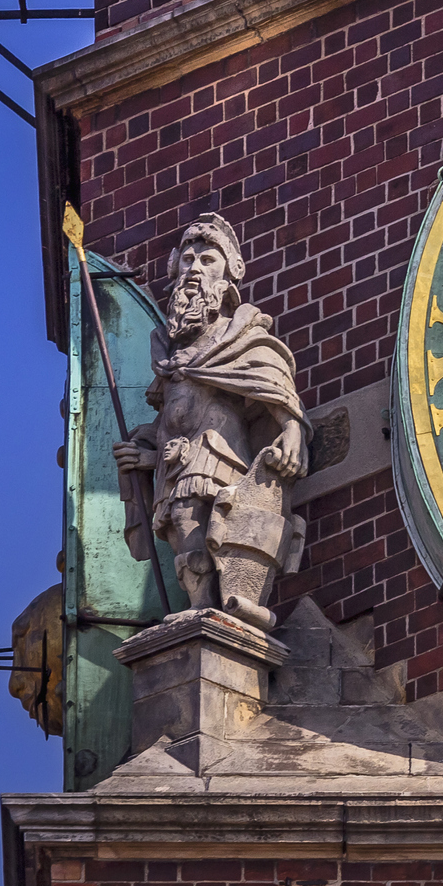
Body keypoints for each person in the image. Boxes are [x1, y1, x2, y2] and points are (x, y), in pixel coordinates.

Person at [111, 214, 307, 630]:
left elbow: (270, 381)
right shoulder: (167, 348)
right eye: (187, 260)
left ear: (229, 273)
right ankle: (201, 605)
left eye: (207, 259)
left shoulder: (237, 336)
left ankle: (220, 607)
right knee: (181, 524)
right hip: (174, 456)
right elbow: (169, 414)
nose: (194, 269)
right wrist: (143, 450)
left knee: (204, 521)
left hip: (220, 448)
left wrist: (291, 428)